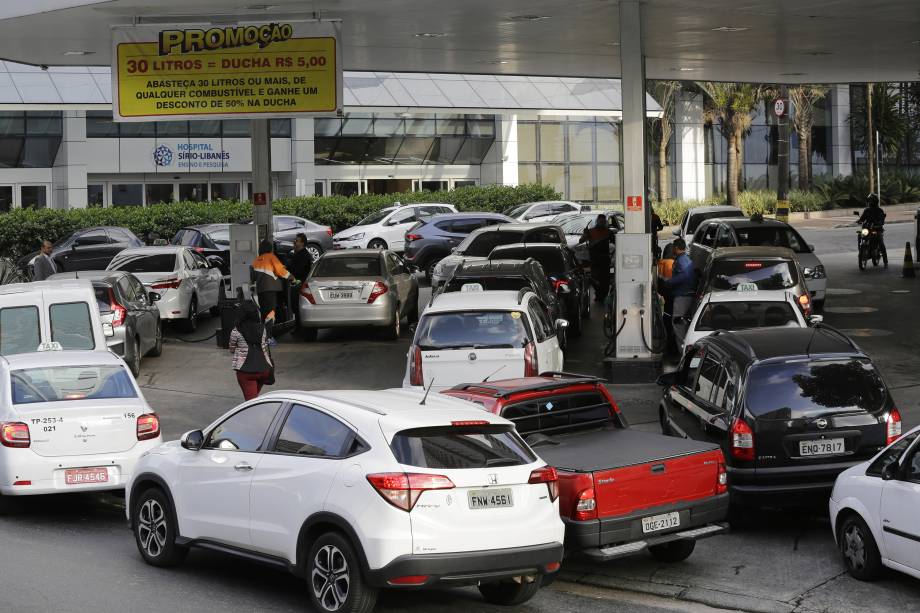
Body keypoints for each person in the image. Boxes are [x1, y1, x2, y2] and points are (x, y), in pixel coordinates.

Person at [251, 240, 296, 345]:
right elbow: (281, 271)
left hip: (261, 290)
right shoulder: (271, 257)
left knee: (264, 313)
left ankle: (263, 337)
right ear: (270, 248)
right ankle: (269, 338)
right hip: (270, 290)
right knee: (271, 313)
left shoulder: (256, 260)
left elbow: (253, 277)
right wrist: (292, 278)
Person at [228, 300, 273, 400]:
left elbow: (231, 349)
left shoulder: (236, 331)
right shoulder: (263, 329)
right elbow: (265, 345)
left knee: (251, 402)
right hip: (264, 369)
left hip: (246, 372)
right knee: (254, 397)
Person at [581, 214, 613, 303]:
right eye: (600, 221)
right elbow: (581, 240)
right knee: (595, 278)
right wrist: (585, 234)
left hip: (605, 259)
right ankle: (599, 295)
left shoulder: (608, 232)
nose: (602, 223)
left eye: (603, 221)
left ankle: (602, 295)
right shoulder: (590, 231)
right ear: (597, 221)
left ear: (605, 222)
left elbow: (616, 242)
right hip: (595, 260)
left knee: (605, 280)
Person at [660, 238, 696, 317]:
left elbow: (684, 275)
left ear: (676, 248)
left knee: (678, 320)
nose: (672, 249)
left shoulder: (681, 260)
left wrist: (669, 282)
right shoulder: (685, 258)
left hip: (682, 295)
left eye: (673, 247)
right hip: (684, 294)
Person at [858, 193, 887, 263]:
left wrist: (880, 223)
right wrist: (859, 221)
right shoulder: (867, 210)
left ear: (875, 201)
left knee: (881, 243)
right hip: (868, 229)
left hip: (877, 229)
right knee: (860, 235)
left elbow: (882, 220)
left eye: (871, 201)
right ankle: (861, 250)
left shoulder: (879, 210)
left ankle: (885, 260)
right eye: (869, 201)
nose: (870, 202)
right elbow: (862, 218)